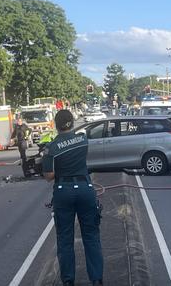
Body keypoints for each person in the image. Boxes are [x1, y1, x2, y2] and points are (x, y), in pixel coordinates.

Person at [42, 110, 103, 286]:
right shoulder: (82, 140)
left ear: (56, 124)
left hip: (63, 191)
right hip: (85, 188)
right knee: (91, 236)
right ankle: (97, 279)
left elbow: (48, 176)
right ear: (72, 122)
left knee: (65, 239)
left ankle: (68, 281)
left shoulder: (51, 147)